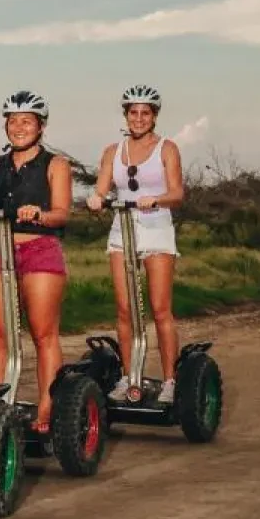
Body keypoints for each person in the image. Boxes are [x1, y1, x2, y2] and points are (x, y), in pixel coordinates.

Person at [0, 90, 73, 435]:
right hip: (0, 251)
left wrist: (40, 215)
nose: (18, 127)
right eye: (13, 121)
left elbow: (62, 213)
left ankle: (47, 411)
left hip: (40, 250)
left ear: (40, 125)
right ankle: (0, 411)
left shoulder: (56, 164)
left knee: (43, 333)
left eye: (26, 121)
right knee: (1, 334)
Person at [87, 84, 187, 403]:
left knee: (159, 308)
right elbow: (102, 187)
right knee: (125, 309)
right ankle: (130, 377)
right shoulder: (112, 152)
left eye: (145, 113)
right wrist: (96, 198)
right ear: (126, 115)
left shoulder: (167, 149)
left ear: (154, 116)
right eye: (134, 112)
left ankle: (170, 381)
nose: (139, 118)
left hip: (156, 229)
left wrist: (155, 199)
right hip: (122, 230)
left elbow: (177, 193)